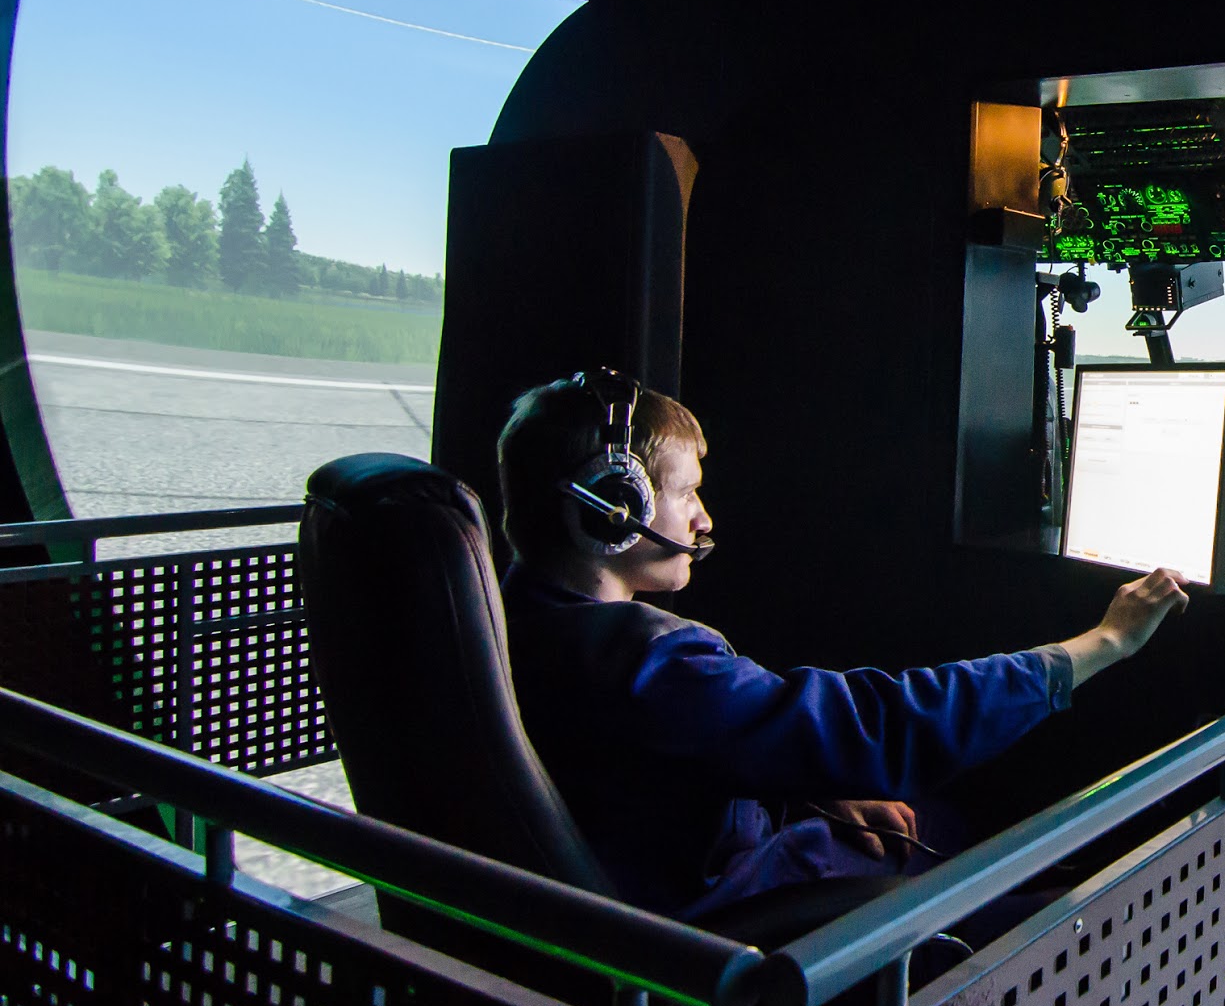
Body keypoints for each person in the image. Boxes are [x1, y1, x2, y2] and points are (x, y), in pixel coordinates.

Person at [493, 368, 1187, 920]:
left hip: (676, 865)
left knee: (936, 823)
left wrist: (807, 803)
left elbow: (661, 779)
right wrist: (1101, 644)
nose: (705, 517)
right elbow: (879, 729)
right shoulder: (646, 665)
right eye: (689, 494)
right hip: (723, 931)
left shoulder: (515, 619)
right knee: (1067, 906)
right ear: (616, 511)